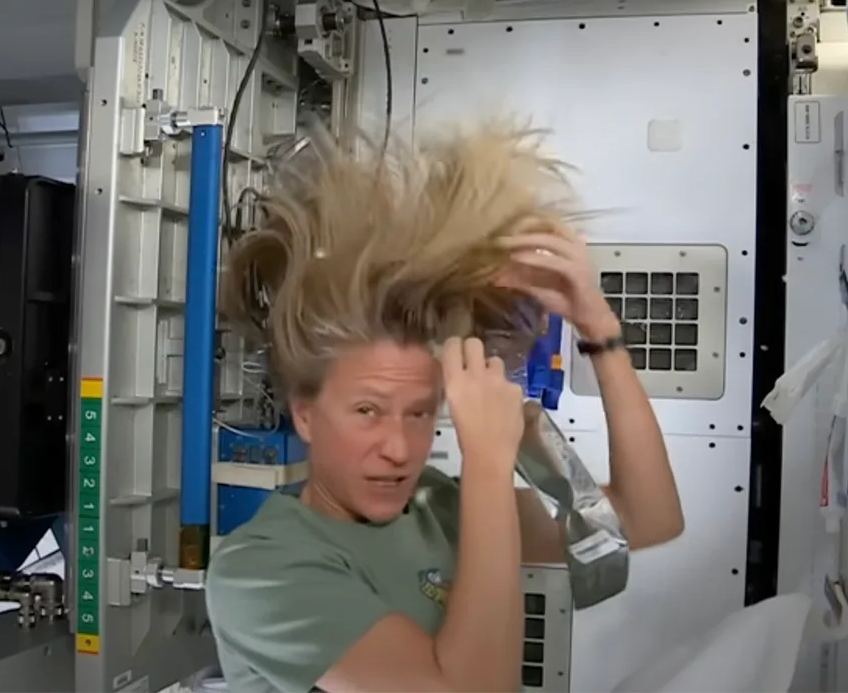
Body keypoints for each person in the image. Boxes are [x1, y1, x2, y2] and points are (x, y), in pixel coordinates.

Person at [206, 122, 684, 693]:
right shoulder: (262, 568)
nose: (399, 449)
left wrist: (597, 326)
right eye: (367, 411)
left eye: (419, 413)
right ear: (306, 416)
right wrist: (487, 462)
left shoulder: (437, 506)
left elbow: (648, 518)